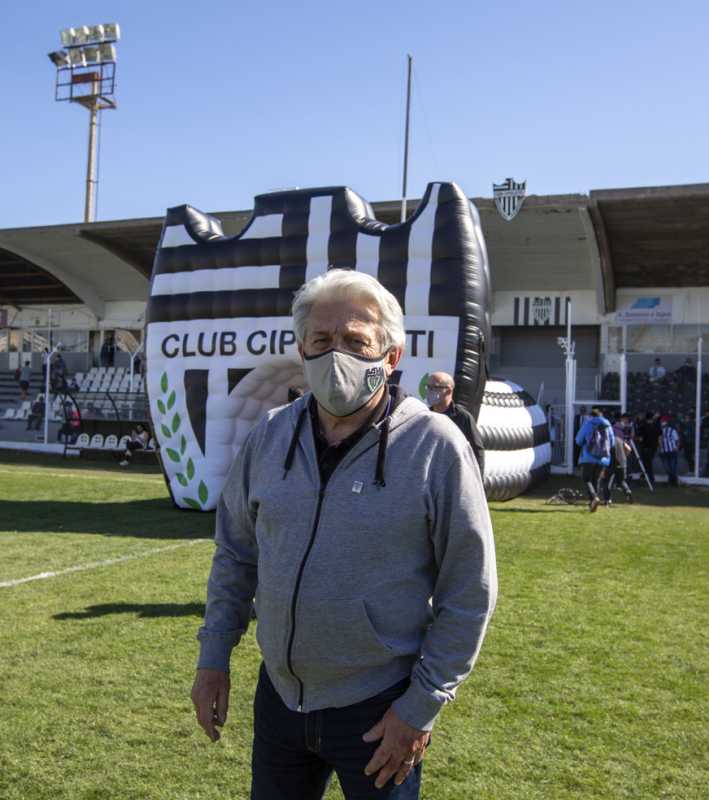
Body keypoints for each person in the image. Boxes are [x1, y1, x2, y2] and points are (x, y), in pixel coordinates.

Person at [191, 269, 495, 798]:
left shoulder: (435, 446)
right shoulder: (269, 435)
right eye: (322, 340)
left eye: (357, 341)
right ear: (301, 349)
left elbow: (469, 590)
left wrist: (419, 707)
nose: (338, 356)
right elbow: (236, 554)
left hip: (381, 710)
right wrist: (214, 656)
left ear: (391, 355)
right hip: (280, 700)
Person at [425, 371, 485, 476]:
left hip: (454, 475)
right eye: (428, 387)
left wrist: (477, 481)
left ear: (448, 390)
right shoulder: (425, 416)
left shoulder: (463, 418)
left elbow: (477, 452)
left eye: (434, 387)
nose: (430, 391)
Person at [576, 407, 615, 512]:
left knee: (586, 479)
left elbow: (578, 440)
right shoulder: (608, 425)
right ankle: (592, 504)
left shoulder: (588, 424)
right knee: (596, 480)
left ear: (591, 416)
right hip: (603, 459)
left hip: (588, 457)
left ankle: (594, 498)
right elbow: (612, 443)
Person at [607, 413, 636, 503]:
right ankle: (628, 491)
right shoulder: (623, 433)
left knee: (607, 481)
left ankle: (607, 499)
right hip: (622, 460)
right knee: (621, 481)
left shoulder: (611, 436)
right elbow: (629, 449)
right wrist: (624, 456)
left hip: (612, 460)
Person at [659, 416, 681, 486]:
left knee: (672, 466)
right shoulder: (660, 431)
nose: (662, 423)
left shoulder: (672, 430)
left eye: (663, 422)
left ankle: (673, 481)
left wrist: (676, 447)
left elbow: (677, 440)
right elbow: (659, 440)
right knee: (667, 467)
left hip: (672, 450)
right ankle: (672, 480)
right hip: (664, 451)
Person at [638, 412, 660, 485]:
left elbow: (640, 438)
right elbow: (659, 436)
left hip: (645, 447)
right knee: (647, 464)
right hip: (654, 447)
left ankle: (649, 479)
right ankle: (645, 478)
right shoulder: (656, 426)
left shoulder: (643, 426)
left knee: (647, 464)